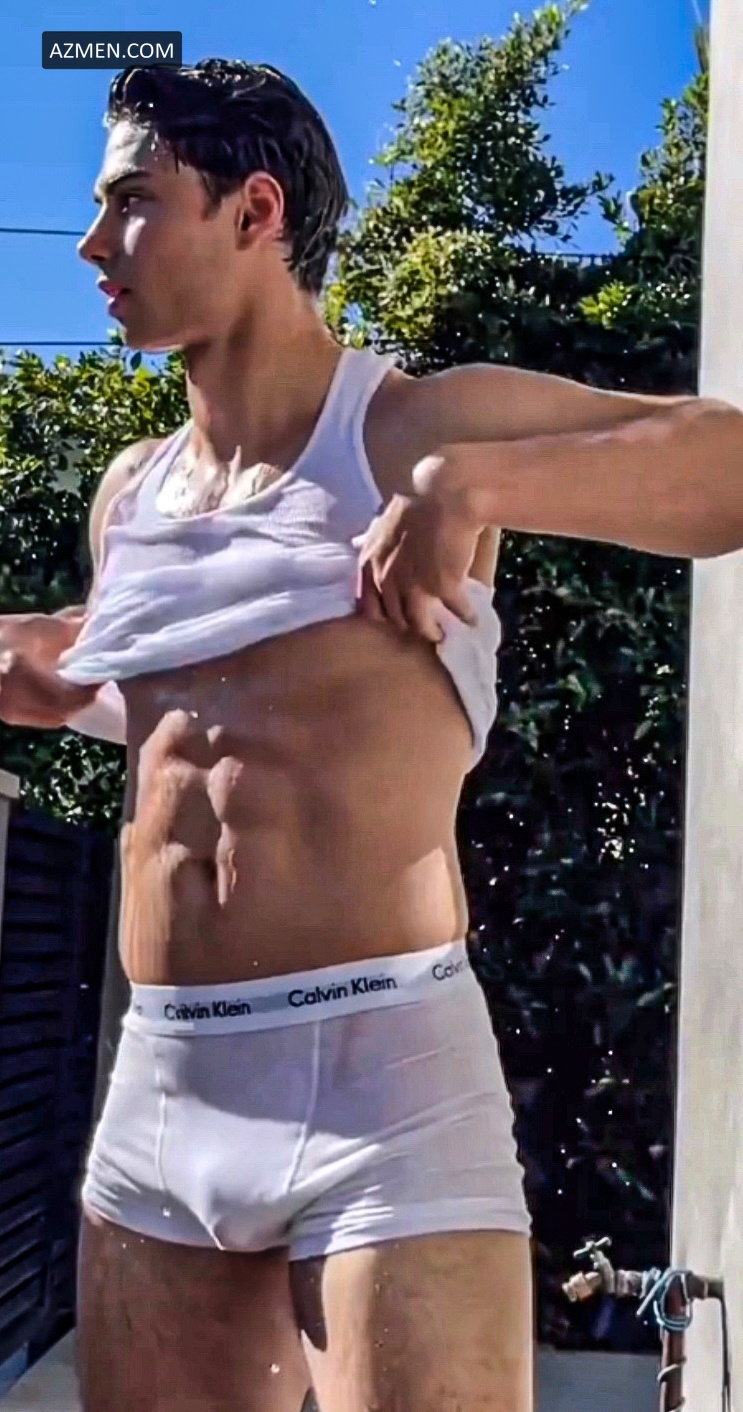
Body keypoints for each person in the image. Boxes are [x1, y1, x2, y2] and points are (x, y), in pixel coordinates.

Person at [2, 59, 743, 1412]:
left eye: (132, 202)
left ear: (254, 210)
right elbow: (200, 718)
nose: (94, 244)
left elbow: (726, 462)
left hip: (380, 1075)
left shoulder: (410, 427)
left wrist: (476, 484)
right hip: (164, 1079)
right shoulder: (129, 495)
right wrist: (52, 672)